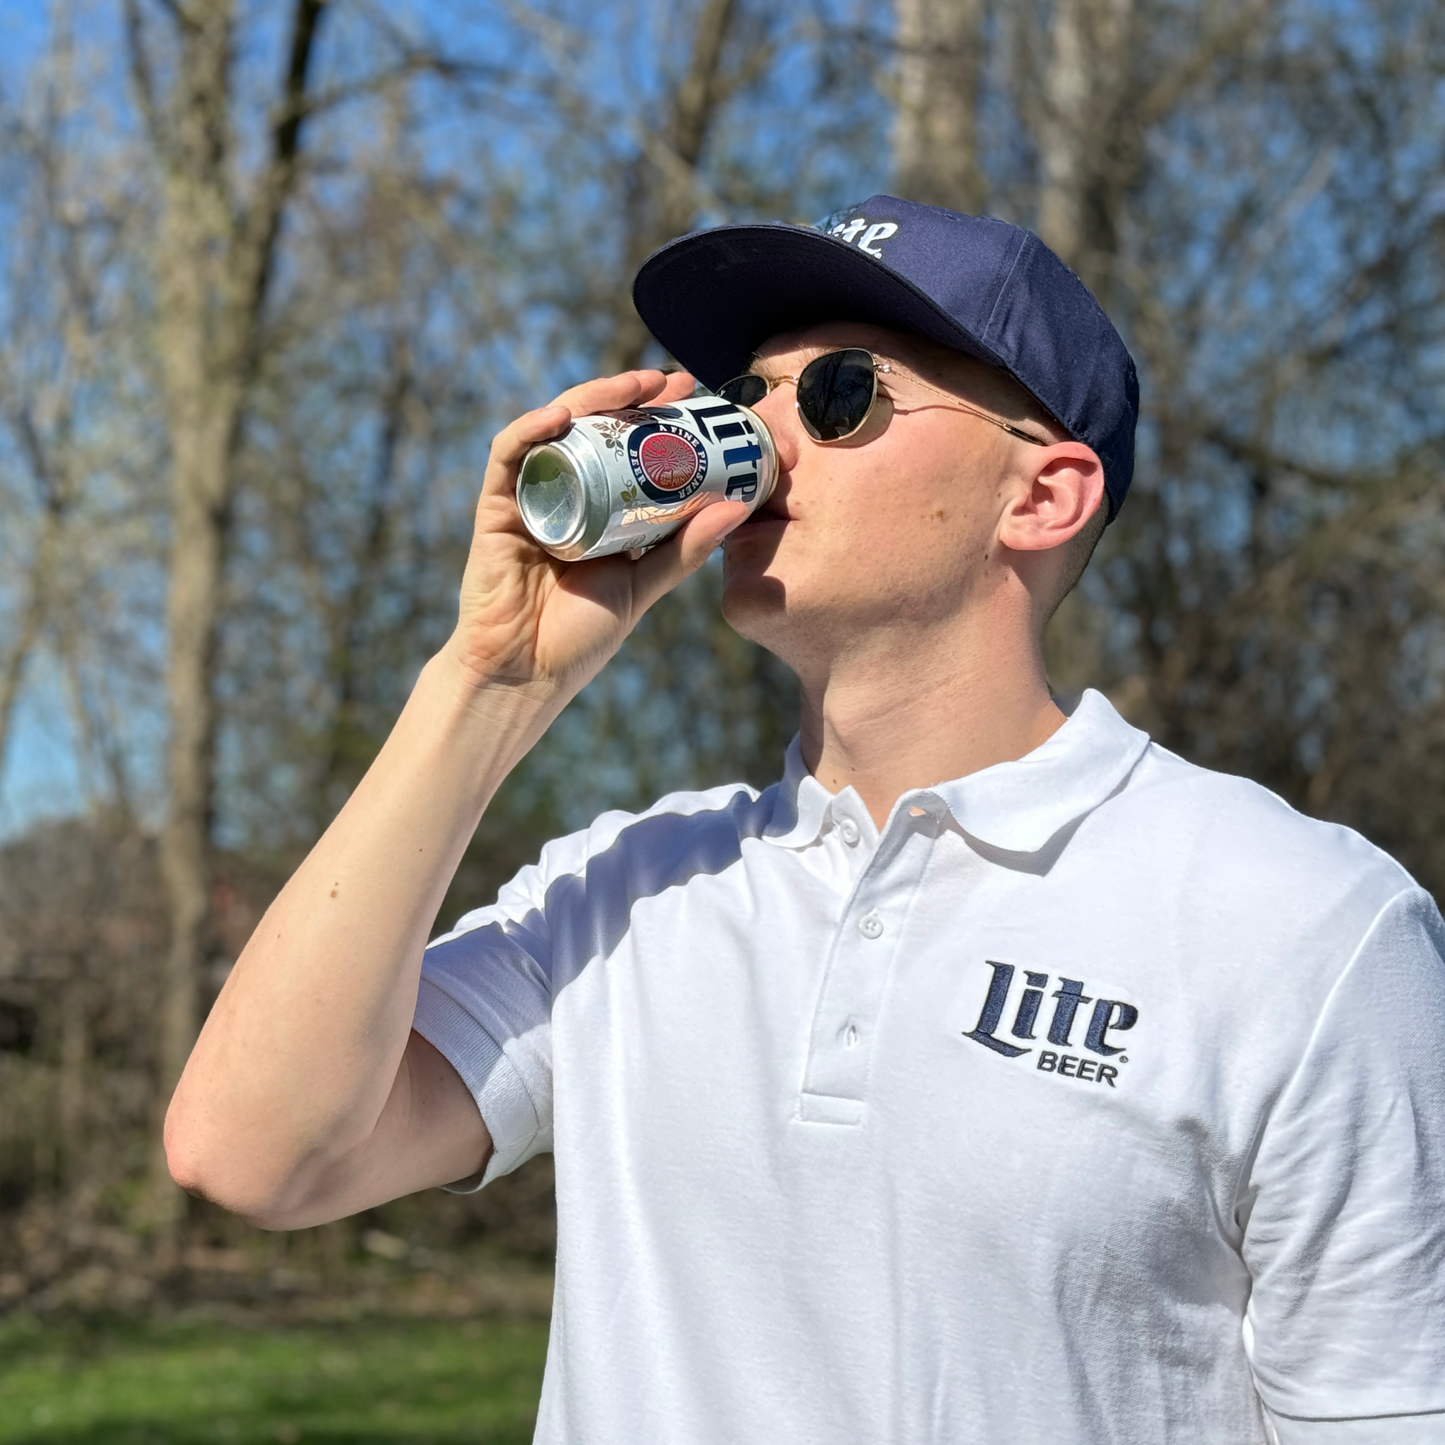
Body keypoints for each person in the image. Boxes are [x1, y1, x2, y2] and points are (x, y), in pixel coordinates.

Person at [165, 197, 1445, 1444]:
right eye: (744, 395)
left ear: (1042, 496)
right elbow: (254, 1153)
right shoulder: (625, 885)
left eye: (839, 394)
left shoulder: (1304, 928)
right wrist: (488, 685)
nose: (760, 438)